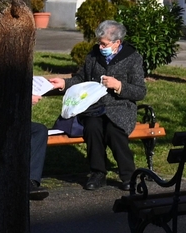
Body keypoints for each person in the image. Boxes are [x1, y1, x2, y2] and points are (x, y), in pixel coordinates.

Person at [48, 20, 148, 190]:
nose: (101, 47)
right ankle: (97, 173)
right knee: (92, 128)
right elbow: (81, 79)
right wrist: (64, 84)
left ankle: (128, 175)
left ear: (117, 43)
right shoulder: (93, 56)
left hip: (120, 108)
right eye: (99, 43)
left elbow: (140, 91)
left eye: (104, 44)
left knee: (113, 130)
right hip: (94, 106)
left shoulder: (132, 58)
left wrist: (119, 86)